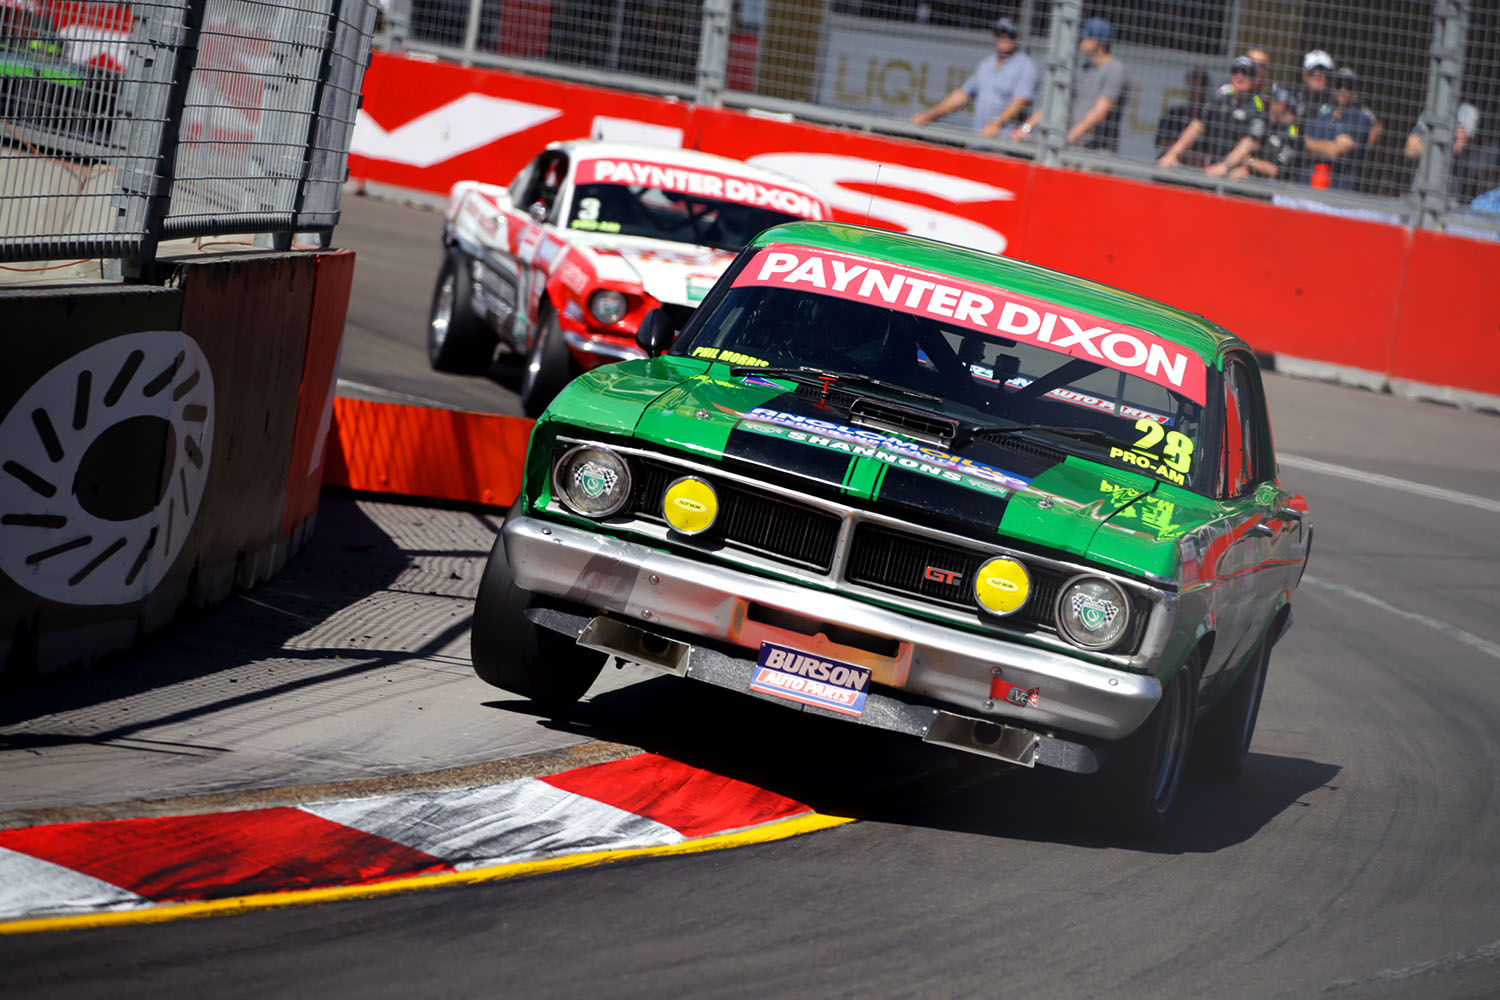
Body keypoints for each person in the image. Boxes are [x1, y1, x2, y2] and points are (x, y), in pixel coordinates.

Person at [1010, 17, 1129, 152]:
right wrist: (1026, 128)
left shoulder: (1115, 70)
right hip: (1075, 147)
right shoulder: (1085, 68)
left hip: (1097, 151)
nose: (1081, 42)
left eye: (1084, 38)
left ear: (1095, 42)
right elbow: (1056, 102)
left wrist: (1069, 138)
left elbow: (1100, 112)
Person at [911, 16, 1038, 139]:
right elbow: (962, 96)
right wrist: (928, 115)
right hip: (978, 139)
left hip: (1005, 143)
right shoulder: (986, 64)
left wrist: (996, 123)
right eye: (999, 33)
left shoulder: (1026, 67)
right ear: (993, 36)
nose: (1004, 37)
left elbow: (1019, 102)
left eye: (1010, 34)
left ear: (1018, 37)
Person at [1156, 55, 1268, 176]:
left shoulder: (1259, 103)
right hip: (1213, 166)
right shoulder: (1221, 95)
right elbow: (1198, 125)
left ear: (1254, 78)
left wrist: (1225, 166)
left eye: (1245, 73)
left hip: (1240, 169)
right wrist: (1173, 154)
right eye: (1235, 71)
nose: (1239, 77)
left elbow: (1250, 141)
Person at [1405, 101, 1500, 205]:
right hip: (1421, 192)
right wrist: (1439, 147)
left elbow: (1458, 147)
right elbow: (1410, 149)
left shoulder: (1467, 112)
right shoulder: (1433, 110)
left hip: (1448, 199)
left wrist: (1443, 145)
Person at [1233, 85, 1302, 181]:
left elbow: (1274, 170)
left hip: (1277, 186)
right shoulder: (1272, 124)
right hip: (1255, 176)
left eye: (1272, 101)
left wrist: (1246, 159)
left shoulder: (1294, 133)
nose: (1269, 105)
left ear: (1282, 105)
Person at [1330, 66, 1381, 189]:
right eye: (1339, 84)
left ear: (1355, 89)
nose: (1343, 89)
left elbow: (1376, 131)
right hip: (1323, 173)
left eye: (1348, 86)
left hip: (1349, 176)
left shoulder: (1364, 115)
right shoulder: (1325, 110)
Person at [1154, 67, 1213, 167]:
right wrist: (1183, 154)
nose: (1192, 91)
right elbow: (1161, 142)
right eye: (1190, 86)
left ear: (1204, 91)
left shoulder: (1211, 119)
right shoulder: (1173, 113)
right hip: (1170, 164)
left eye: (1196, 88)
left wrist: (1180, 152)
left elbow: (1209, 154)